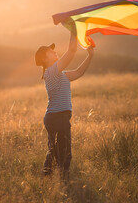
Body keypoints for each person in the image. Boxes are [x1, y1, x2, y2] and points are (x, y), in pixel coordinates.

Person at [35, 30, 94, 181]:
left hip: (55, 118)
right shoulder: (51, 72)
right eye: (50, 51)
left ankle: (46, 179)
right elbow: (72, 51)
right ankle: (64, 182)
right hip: (58, 118)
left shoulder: (60, 74)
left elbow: (79, 72)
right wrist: (74, 29)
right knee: (64, 152)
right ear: (44, 58)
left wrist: (90, 56)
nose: (54, 51)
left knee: (54, 151)